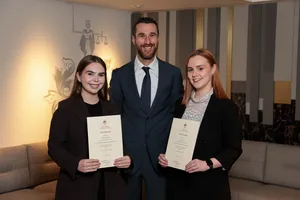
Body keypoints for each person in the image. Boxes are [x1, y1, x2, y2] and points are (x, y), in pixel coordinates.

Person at [109, 17, 183, 200]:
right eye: (142, 35)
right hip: (128, 161)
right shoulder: (119, 75)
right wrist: (121, 153)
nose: (148, 41)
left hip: (161, 160)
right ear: (134, 39)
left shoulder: (173, 74)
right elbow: (114, 118)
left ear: (158, 39)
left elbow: (177, 117)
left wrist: (173, 153)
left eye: (152, 35)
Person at [158, 48, 243, 200]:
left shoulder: (226, 106)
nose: (194, 74)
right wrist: (166, 157)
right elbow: (173, 139)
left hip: (208, 185)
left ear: (213, 69)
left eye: (200, 68)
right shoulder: (180, 104)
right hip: (178, 184)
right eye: (190, 70)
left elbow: (233, 148)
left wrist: (207, 164)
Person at [48, 55, 131, 200]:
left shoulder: (112, 109)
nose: (96, 79)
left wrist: (128, 159)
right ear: (79, 76)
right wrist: (76, 164)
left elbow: (123, 142)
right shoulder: (65, 109)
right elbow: (54, 147)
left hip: (110, 187)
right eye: (90, 74)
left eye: (101, 75)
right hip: (77, 188)